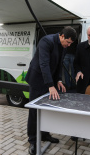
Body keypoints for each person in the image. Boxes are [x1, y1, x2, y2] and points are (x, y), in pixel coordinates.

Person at [25, 26, 77, 155]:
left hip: (49, 81)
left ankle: (44, 134)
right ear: (62, 36)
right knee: (34, 111)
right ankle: (32, 140)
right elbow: (44, 64)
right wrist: (50, 85)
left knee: (46, 110)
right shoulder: (46, 41)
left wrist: (58, 80)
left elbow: (59, 65)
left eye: (71, 43)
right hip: (37, 80)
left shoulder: (63, 46)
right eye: (68, 42)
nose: (69, 45)